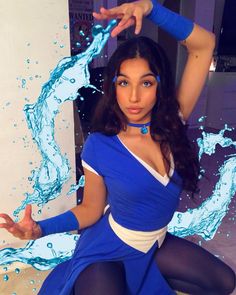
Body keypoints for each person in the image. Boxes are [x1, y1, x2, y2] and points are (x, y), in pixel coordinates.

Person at [0, 0, 235, 294]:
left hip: (156, 242)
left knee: (225, 283)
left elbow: (204, 44)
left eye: (146, 83)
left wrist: (151, 9)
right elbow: (90, 209)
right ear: (114, 86)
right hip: (106, 252)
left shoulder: (174, 121)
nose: (133, 96)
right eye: (124, 83)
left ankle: (142, 277)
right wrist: (39, 229)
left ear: (159, 86)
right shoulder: (101, 145)